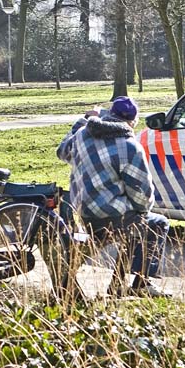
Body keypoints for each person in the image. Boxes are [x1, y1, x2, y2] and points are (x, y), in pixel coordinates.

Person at [56, 96, 170, 298]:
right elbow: (142, 193)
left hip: (84, 214)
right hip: (114, 218)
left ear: (109, 114)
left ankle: (118, 283)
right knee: (156, 223)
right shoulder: (129, 146)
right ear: (133, 122)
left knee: (136, 221)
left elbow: (62, 151)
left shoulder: (83, 134)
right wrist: (143, 209)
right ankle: (141, 283)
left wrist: (83, 120)